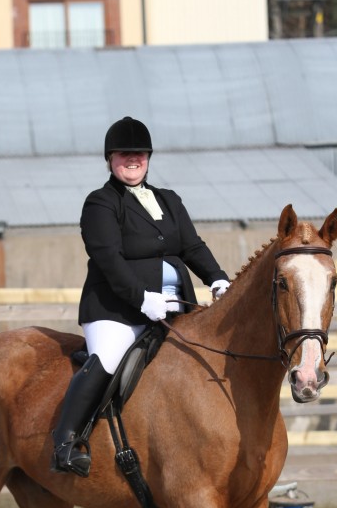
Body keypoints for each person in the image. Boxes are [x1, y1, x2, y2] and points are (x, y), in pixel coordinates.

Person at [51, 116, 231, 477]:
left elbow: (192, 246)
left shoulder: (169, 199)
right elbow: (109, 260)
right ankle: (67, 443)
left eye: (139, 154)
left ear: (148, 158)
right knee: (107, 357)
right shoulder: (101, 203)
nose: (132, 160)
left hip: (175, 306)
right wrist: (141, 299)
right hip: (117, 309)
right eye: (123, 154)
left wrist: (218, 279)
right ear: (110, 158)